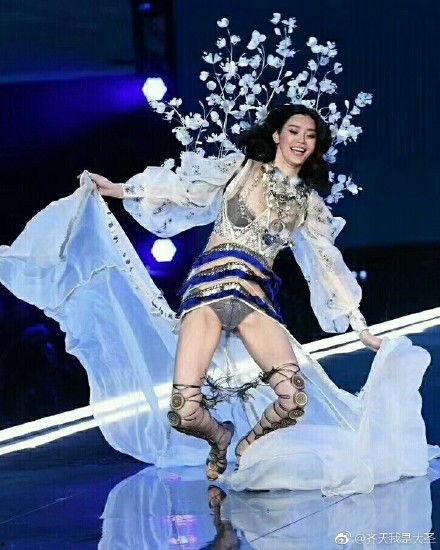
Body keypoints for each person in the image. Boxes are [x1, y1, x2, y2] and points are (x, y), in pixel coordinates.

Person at [89, 104, 382, 481]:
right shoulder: (239, 168)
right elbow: (182, 191)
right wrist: (120, 189)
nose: (300, 141)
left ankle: (248, 447)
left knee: (294, 399)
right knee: (184, 412)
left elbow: (327, 265)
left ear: (315, 146)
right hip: (207, 293)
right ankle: (220, 437)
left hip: (254, 299)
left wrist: (359, 326)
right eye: (293, 131)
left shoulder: (308, 203)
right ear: (277, 135)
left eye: (310, 136)